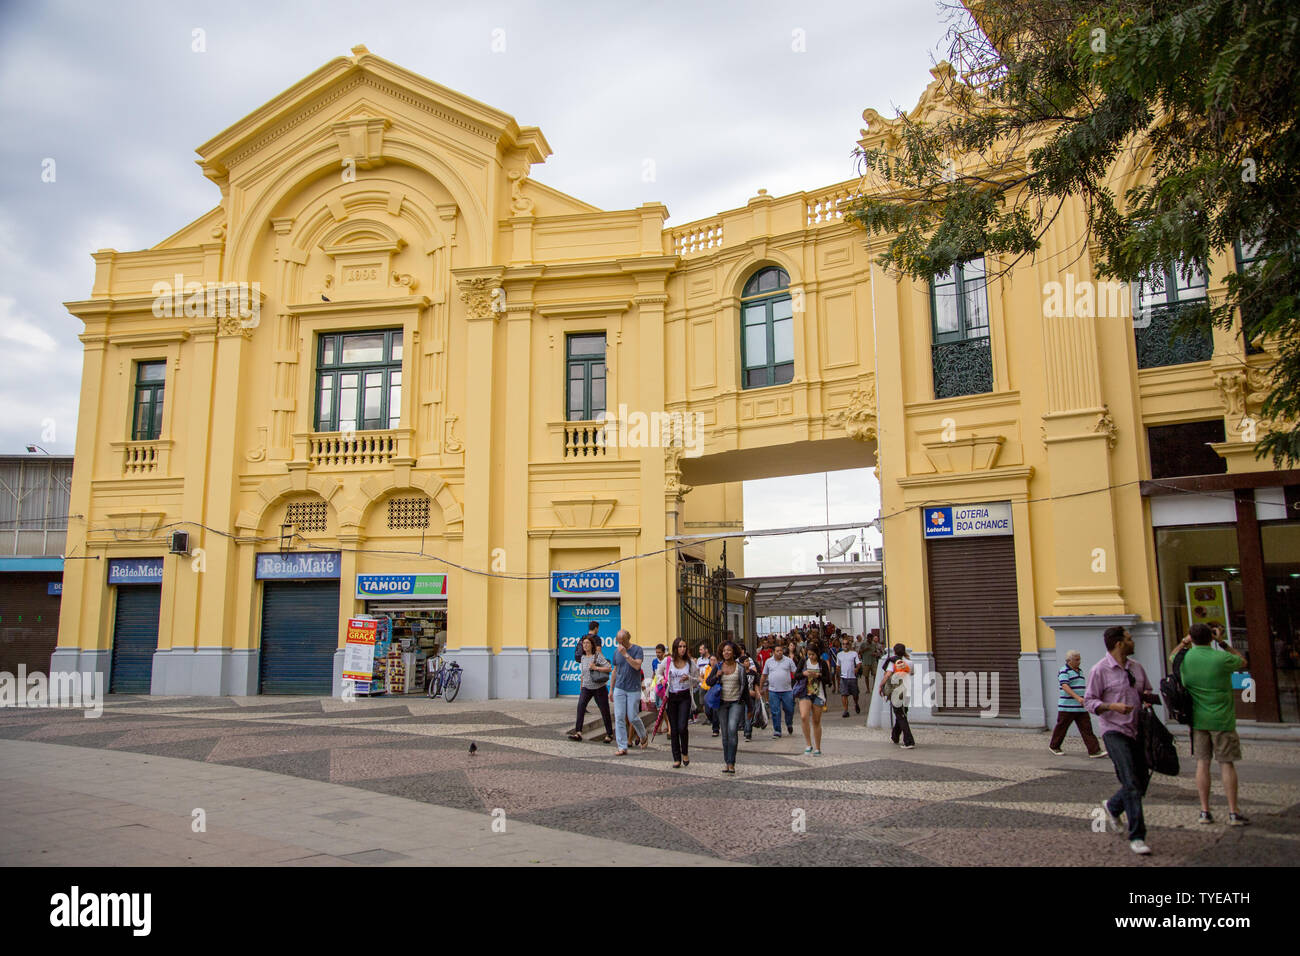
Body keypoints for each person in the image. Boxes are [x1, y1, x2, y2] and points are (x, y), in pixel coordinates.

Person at [1084, 625, 1162, 855]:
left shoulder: (1136, 668)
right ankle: (1137, 836)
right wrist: (1111, 706)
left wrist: (1148, 700)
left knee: (1141, 780)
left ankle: (1113, 805)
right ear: (1119, 643)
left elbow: (1145, 690)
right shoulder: (1099, 670)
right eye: (1129, 638)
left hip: (1138, 730)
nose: (1133, 641)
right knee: (1131, 782)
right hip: (1114, 731)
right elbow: (1089, 701)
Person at [1176, 623, 1251, 826]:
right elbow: (1242, 661)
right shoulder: (1221, 658)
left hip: (1198, 720)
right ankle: (1233, 812)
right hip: (1222, 719)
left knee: (1203, 763)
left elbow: (1172, 656)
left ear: (1192, 638)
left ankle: (1204, 811)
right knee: (1226, 764)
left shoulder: (1185, 658)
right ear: (1210, 638)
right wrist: (1222, 642)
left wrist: (1185, 641)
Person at [704, 640, 751, 774]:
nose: (727, 652)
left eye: (729, 650)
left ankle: (732, 762)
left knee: (732, 729)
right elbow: (708, 682)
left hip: (736, 702)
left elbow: (745, 689)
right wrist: (717, 676)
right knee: (724, 734)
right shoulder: (718, 666)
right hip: (722, 704)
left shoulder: (740, 668)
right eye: (724, 651)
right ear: (721, 652)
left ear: (734, 652)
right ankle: (727, 762)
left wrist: (750, 708)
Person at [1048, 650, 1105, 757]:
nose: (1079, 661)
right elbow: (1065, 686)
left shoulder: (1080, 671)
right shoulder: (1064, 671)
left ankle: (1094, 750)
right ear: (1069, 660)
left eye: (1079, 659)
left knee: (1087, 728)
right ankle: (1054, 746)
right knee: (1062, 727)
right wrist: (1078, 698)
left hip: (1081, 707)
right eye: (1076, 659)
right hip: (1067, 706)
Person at [568, 633, 614, 742]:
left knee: (604, 710)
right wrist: (581, 684)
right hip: (586, 687)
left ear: (592, 645)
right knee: (580, 707)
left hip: (599, 688)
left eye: (587, 643)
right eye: (584, 643)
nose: (585, 645)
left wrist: (596, 667)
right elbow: (583, 673)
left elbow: (609, 668)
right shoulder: (583, 657)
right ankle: (578, 732)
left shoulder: (597, 655)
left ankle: (609, 734)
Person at [609, 628, 648, 755]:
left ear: (628, 639)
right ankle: (622, 746)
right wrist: (611, 689)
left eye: (622, 641)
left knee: (632, 716)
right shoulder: (616, 652)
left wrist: (626, 654)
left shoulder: (637, 650)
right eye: (618, 642)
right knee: (619, 717)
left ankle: (643, 735)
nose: (620, 644)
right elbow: (615, 670)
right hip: (619, 687)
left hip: (633, 688)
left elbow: (637, 666)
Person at [663, 638, 700, 768]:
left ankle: (685, 752)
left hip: (685, 696)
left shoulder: (690, 663)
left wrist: (689, 678)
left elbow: (697, 680)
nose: (682, 649)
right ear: (675, 648)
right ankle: (676, 757)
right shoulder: (668, 661)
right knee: (673, 729)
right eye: (680, 646)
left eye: (684, 646)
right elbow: (659, 673)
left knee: (682, 727)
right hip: (672, 697)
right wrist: (662, 680)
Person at [794, 638, 830, 754]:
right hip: (805, 692)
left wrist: (818, 676)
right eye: (809, 654)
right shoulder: (803, 662)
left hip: (818, 694)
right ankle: (808, 744)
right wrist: (804, 674)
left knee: (816, 720)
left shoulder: (822, 663)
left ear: (817, 654)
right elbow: (796, 675)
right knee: (804, 716)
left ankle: (818, 747)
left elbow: (828, 680)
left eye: (813, 655)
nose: (811, 657)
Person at [880, 643, 915, 748]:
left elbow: (887, 674)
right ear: (904, 651)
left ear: (894, 651)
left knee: (900, 715)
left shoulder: (893, 661)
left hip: (896, 691)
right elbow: (912, 673)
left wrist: (880, 685)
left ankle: (909, 741)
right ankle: (895, 736)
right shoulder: (909, 662)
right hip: (907, 690)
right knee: (901, 714)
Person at [760, 641, 797, 738]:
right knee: (775, 711)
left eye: (781, 650)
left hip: (787, 690)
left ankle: (789, 723)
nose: (779, 652)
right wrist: (761, 688)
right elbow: (764, 676)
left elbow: (796, 673)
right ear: (773, 652)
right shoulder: (768, 662)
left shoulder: (788, 661)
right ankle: (777, 730)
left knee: (789, 709)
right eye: (777, 651)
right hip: (773, 691)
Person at [838, 636, 862, 717]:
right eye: (843, 644)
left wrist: (857, 668)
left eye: (847, 644)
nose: (845, 645)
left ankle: (856, 703)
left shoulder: (854, 653)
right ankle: (845, 710)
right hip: (843, 677)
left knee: (855, 694)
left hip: (852, 677)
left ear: (849, 645)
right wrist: (838, 674)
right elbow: (838, 665)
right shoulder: (839, 655)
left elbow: (859, 663)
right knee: (844, 694)